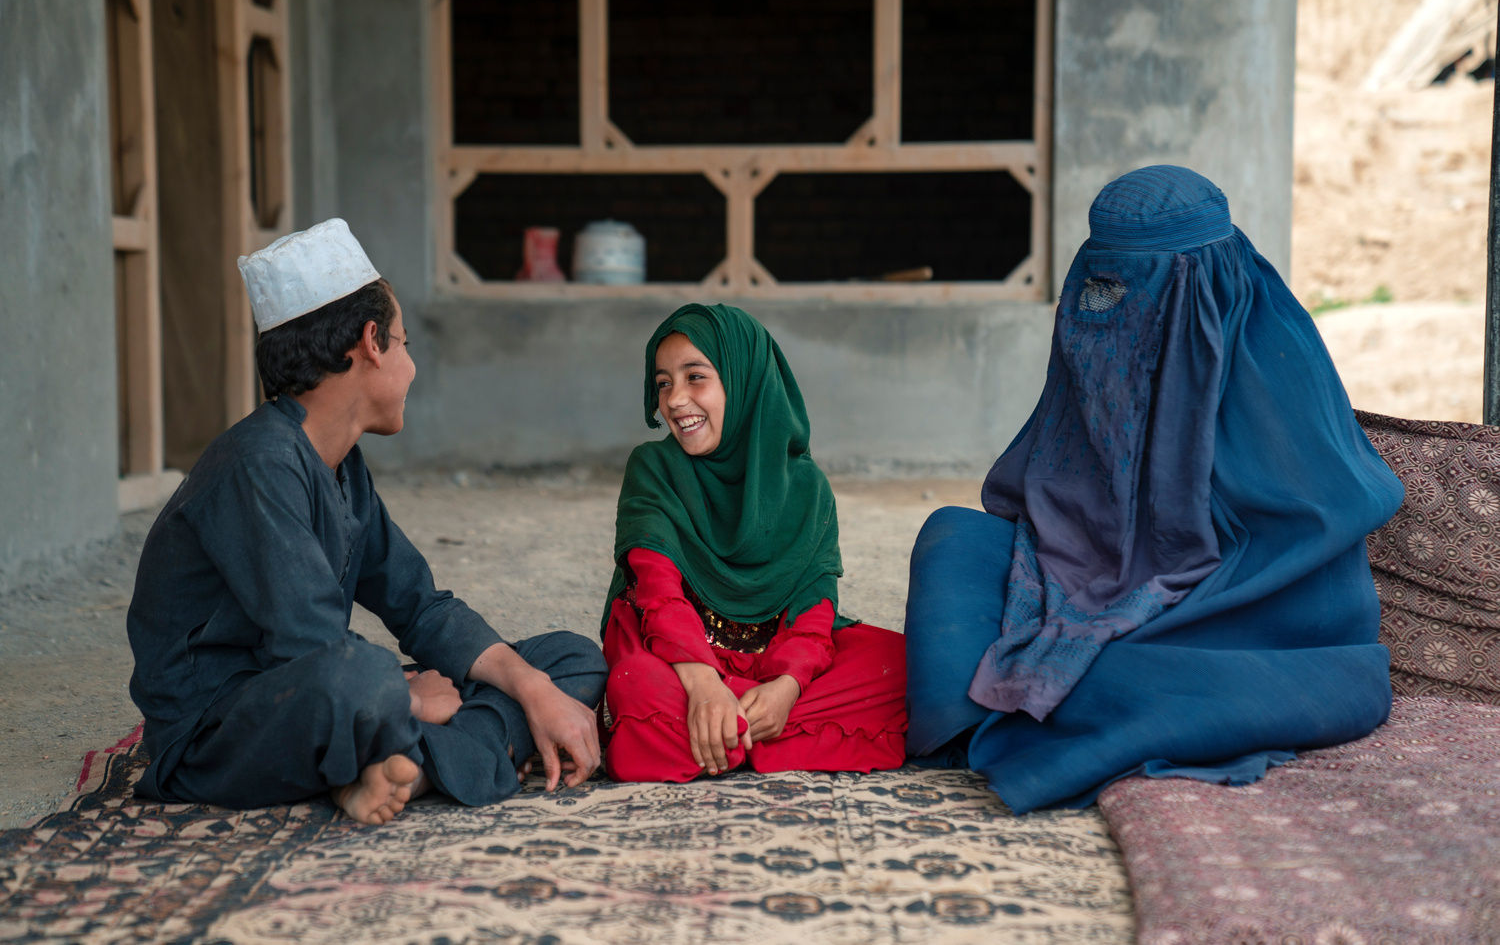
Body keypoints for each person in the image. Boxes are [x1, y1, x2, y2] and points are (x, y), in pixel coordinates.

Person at [904, 166, 1405, 813]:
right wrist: (1088, 583)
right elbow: (1058, 487)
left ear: (1199, 287)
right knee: (952, 542)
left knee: (1097, 672)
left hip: (1223, 604)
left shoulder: (1272, 359)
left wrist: (1135, 594)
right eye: (1097, 286)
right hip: (1077, 569)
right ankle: (1050, 699)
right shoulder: (1102, 333)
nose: (1103, 308)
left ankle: (1061, 702)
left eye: (1125, 290)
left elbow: (1302, 542)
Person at [127, 219, 606, 825]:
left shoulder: (342, 465)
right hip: (224, 727)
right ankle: (422, 755)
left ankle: (392, 768)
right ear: (372, 342)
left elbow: (422, 607)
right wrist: (405, 696)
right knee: (358, 680)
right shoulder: (257, 463)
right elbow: (313, 648)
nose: (409, 366)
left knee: (570, 660)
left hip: (334, 699)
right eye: (405, 345)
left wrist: (534, 688)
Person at [599, 303, 907, 782]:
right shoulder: (654, 470)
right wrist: (702, 684)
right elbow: (658, 596)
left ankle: (723, 737)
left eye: (695, 377)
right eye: (663, 383)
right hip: (676, 657)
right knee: (634, 686)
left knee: (905, 668)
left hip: (775, 658)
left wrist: (786, 686)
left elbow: (814, 610)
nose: (676, 400)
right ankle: (758, 736)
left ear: (745, 382)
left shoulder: (806, 488)